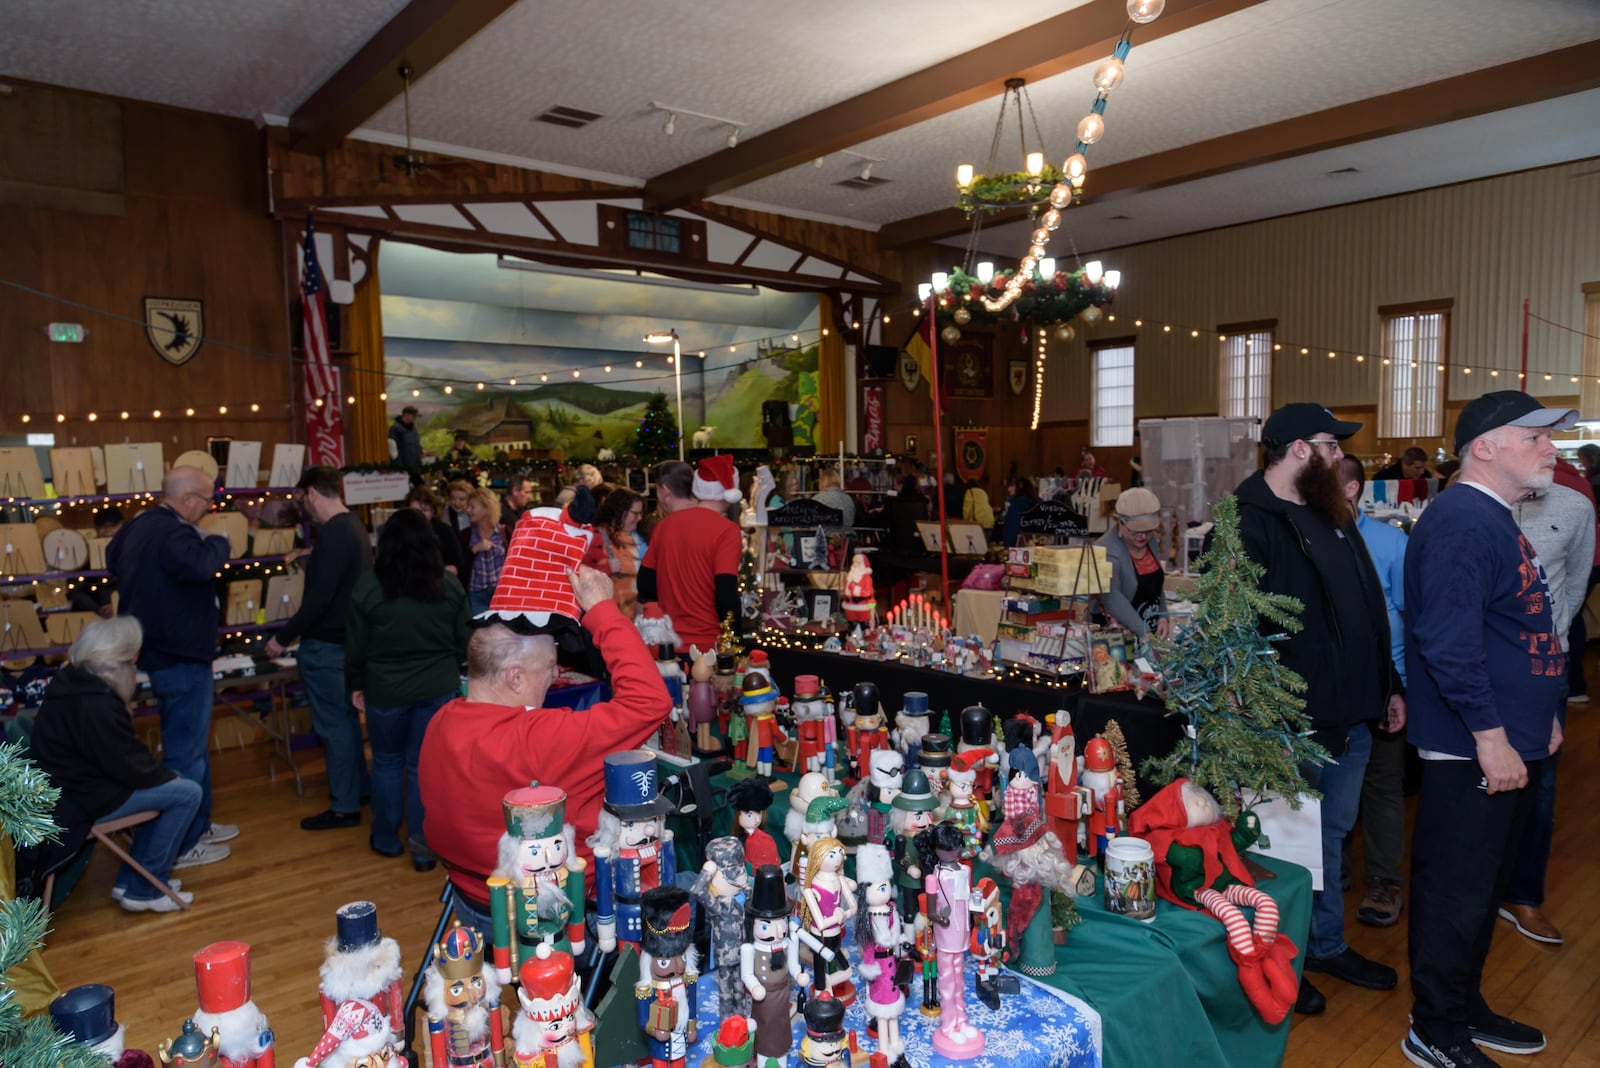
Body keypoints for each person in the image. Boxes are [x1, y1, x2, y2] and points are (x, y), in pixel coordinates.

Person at [1402, 390, 1573, 1068]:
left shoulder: (1493, 517)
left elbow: (1517, 627)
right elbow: (1447, 641)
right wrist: (1491, 735)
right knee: (1455, 895)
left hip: (1512, 740)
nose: (1550, 449)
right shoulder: (1461, 522)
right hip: (1472, 750)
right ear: (1486, 447)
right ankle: (1434, 1029)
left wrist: (1542, 717)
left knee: (1481, 894)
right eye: (1535, 438)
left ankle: (1462, 1006)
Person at [1232, 402, 1404, 1016]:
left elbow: (1368, 607)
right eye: (1331, 446)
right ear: (1300, 449)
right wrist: (1266, 719)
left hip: (1353, 713)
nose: (1339, 457)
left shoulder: (1333, 512)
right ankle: (1284, 957)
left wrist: (1388, 687)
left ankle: (1325, 944)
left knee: (1331, 838)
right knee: (1285, 852)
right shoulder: (1250, 518)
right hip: (1291, 726)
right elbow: (1237, 632)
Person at [418, 554, 671, 938]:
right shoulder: (539, 737)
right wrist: (603, 611)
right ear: (515, 677)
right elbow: (650, 700)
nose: (555, 675)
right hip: (559, 915)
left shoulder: (441, 720)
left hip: (470, 902)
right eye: (550, 665)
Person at [29, 617, 207, 911]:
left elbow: (123, 759)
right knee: (187, 792)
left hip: (70, 792)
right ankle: (145, 888)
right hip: (80, 803)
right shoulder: (95, 702)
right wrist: (166, 778)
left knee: (166, 785)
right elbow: (128, 762)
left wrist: (160, 776)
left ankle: (134, 880)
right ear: (119, 662)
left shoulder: (72, 683)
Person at [106, 464, 236, 867]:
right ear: (187, 500)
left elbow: (112, 561)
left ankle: (198, 824)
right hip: (180, 657)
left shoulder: (135, 527)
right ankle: (182, 843)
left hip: (155, 653)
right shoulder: (177, 532)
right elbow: (202, 566)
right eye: (208, 499)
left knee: (191, 749)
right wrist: (219, 542)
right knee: (185, 755)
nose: (210, 507)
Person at [1500, 452, 1593, 946]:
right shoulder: (1470, 502)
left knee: (1540, 786)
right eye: (1533, 437)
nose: (1547, 449)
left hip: (1542, 668)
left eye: (1547, 438)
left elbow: (1574, 587)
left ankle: (1523, 895)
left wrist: (1547, 646)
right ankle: (1476, 884)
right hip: (1477, 665)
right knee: (1467, 780)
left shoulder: (1574, 507)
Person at [346, 508, 469, 871]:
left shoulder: (369, 585)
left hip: (384, 689)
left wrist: (355, 684)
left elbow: (355, 644)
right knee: (421, 767)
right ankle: (421, 849)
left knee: (385, 762)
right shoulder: (447, 585)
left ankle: (385, 839)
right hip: (436, 686)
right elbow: (465, 640)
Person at [266, 466, 374, 832]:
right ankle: (358, 791)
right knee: (345, 723)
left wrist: (283, 637)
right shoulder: (355, 527)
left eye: (302, 499)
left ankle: (344, 805)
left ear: (311, 493)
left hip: (326, 647)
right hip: (349, 642)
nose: (304, 507)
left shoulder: (333, 534)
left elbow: (317, 600)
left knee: (335, 727)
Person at [1337, 456, 1410, 929]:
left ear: (1352, 489)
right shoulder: (1312, 540)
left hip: (1388, 683)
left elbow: (1408, 610)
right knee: (1330, 782)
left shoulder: (1390, 541)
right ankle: (1333, 871)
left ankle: (1384, 881)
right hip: (1332, 686)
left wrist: (1401, 687)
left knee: (1382, 786)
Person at [638, 455, 743, 652]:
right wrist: (735, 641)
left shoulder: (663, 526)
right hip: (708, 646)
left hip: (669, 644)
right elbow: (726, 593)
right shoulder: (727, 530)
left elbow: (645, 585)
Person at [1094, 487, 1169, 642]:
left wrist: (1163, 615)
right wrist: (1143, 631)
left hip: (1148, 629)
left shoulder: (1151, 541)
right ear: (1120, 522)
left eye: (1148, 531)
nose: (1143, 536)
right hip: (1117, 635)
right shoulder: (1106, 549)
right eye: (1135, 532)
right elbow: (1112, 597)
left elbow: (1157, 585)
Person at [595, 488, 648, 617]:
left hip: (642, 619)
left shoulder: (642, 536)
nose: (639, 518)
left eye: (641, 513)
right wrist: (606, 568)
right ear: (619, 512)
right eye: (635, 513)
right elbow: (583, 574)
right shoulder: (598, 538)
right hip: (614, 618)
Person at [69, 507, 124, 617]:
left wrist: (116, 604)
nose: (107, 530)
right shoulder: (85, 555)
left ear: (121, 526)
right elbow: (75, 591)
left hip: (124, 613)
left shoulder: (131, 550)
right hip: (92, 616)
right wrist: (99, 609)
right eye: (102, 526)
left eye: (112, 526)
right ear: (96, 528)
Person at [405, 485, 466, 577]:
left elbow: (457, 563)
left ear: (433, 511)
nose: (419, 515)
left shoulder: (445, 531)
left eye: (424, 510)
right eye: (414, 511)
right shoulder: (400, 531)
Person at [464, 487, 506, 616]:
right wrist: (474, 549)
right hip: (476, 594)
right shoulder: (465, 535)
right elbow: (460, 564)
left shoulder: (505, 532)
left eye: (472, 507)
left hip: (501, 593)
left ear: (487, 508)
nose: (468, 510)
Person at [1002, 477, 1035, 548]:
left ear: (1020, 486)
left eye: (1012, 486)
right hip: (1037, 545)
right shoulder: (1037, 502)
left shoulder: (1016, 504)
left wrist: (1007, 547)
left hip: (1019, 547)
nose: (1009, 489)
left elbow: (1012, 528)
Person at [390, 405, 423, 477]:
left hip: (415, 467)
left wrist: (421, 453)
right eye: (413, 415)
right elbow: (393, 449)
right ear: (406, 415)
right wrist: (400, 466)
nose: (415, 418)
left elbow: (416, 444)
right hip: (404, 469)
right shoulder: (395, 429)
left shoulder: (413, 429)